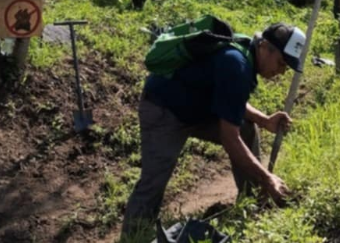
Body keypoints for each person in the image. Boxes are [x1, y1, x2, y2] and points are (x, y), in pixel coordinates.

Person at [121, 22, 306, 240]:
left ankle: (253, 200)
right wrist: (268, 178)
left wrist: (264, 120)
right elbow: (230, 139)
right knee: (154, 180)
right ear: (265, 46)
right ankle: (132, 236)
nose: (281, 71)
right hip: (164, 110)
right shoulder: (237, 63)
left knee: (247, 127)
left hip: (195, 109)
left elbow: (230, 101)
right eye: (281, 63)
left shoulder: (245, 55)